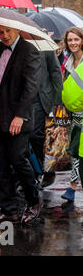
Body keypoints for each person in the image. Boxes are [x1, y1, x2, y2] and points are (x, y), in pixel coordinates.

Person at [0, 23, 42, 225]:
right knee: (0, 163)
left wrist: (20, 116)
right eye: (0, 32)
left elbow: (31, 86)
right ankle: (9, 209)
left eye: (8, 31)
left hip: (18, 118)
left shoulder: (29, 50)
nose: (4, 35)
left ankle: (33, 201)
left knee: (18, 159)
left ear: (18, 30)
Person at [29, 44, 63, 182]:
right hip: (21, 98)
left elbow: (55, 72)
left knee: (36, 135)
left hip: (41, 98)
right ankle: (36, 171)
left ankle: (46, 170)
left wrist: (58, 103)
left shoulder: (44, 44)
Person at [61, 27, 83, 202]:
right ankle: (72, 186)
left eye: (76, 39)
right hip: (73, 114)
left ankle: (73, 186)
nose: (73, 43)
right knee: (75, 151)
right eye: (70, 40)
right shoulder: (67, 62)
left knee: (79, 152)